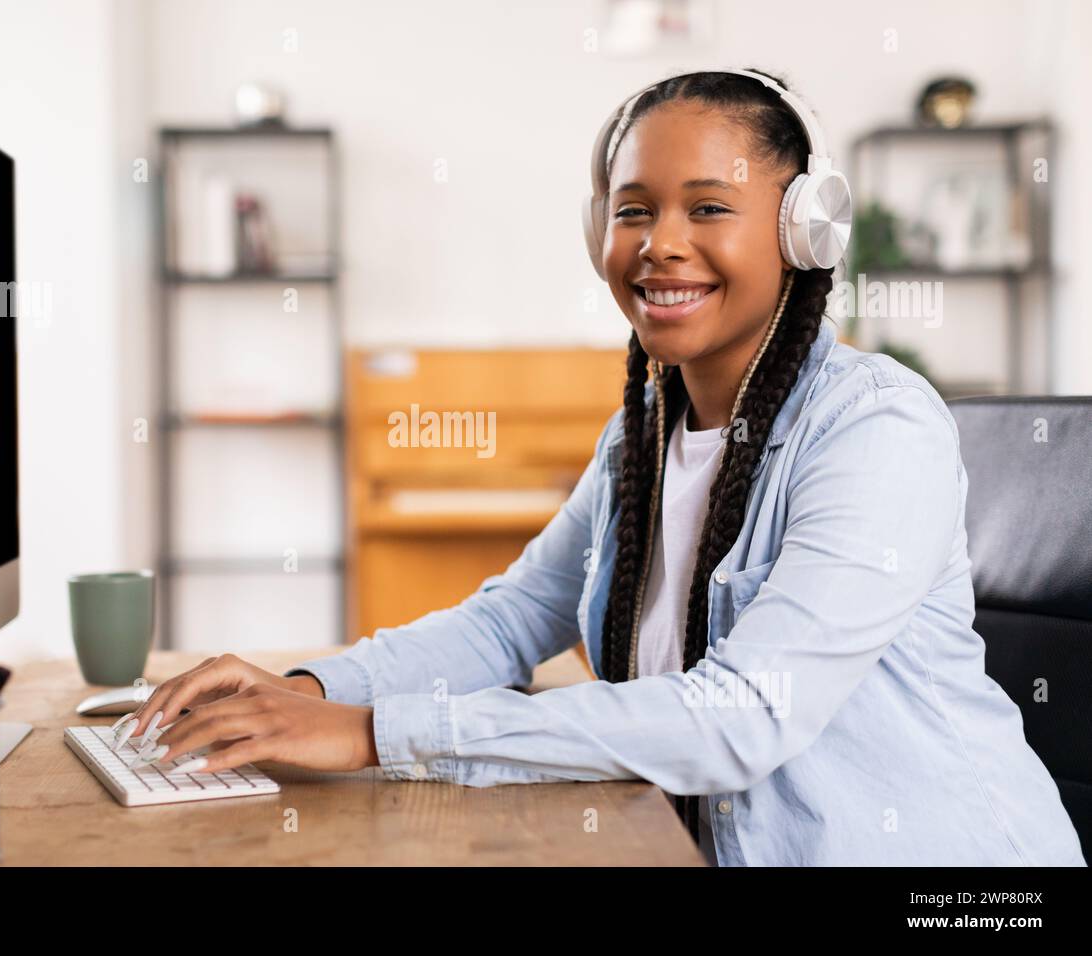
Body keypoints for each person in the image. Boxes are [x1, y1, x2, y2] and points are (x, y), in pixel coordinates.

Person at [115, 69, 1085, 867]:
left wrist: (378, 732)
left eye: (709, 206)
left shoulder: (876, 429)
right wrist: (307, 692)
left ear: (803, 230)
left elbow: (742, 717)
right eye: (633, 211)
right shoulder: (641, 439)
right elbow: (509, 618)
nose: (660, 243)